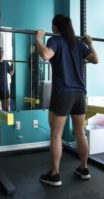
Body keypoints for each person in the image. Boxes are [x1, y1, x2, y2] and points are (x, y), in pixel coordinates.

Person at [36, 14, 98, 186]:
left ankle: (54, 175)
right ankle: (84, 169)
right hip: (80, 94)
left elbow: (46, 55)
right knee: (80, 133)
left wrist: (39, 39)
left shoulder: (54, 40)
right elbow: (95, 59)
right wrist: (90, 43)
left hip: (63, 93)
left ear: (55, 27)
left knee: (56, 136)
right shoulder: (78, 43)